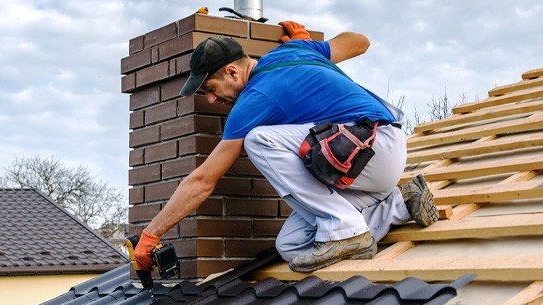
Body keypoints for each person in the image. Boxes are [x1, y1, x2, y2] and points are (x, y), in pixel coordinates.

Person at [134, 21, 437, 274]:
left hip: (373, 146)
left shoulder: (254, 99)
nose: (211, 100)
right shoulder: (295, 50)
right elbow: (360, 41)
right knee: (291, 245)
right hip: (365, 167)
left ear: (232, 72)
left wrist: (152, 233)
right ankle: (401, 204)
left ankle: (346, 229)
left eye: (210, 89)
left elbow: (203, 181)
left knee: (259, 140)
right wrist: (312, 50)